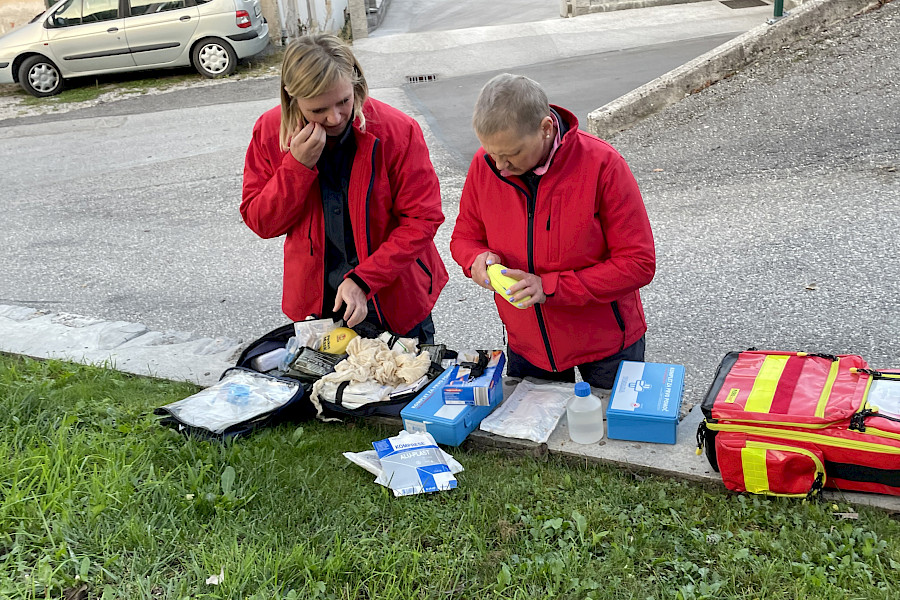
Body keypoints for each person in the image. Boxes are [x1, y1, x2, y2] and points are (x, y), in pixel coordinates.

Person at [450, 73, 656, 388]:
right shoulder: (485, 165)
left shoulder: (603, 164)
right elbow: (464, 237)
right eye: (492, 153)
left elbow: (638, 263)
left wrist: (549, 287)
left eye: (512, 154)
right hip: (528, 345)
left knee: (606, 419)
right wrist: (475, 259)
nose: (501, 167)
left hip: (607, 345)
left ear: (546, 128)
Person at [241, 34, 448, 343]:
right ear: (292, 98)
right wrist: (297, 167)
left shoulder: (397, 131)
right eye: (318, 110)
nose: (334, 118)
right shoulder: (270, 132)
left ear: (356, 85)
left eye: (344, 102)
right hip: (317, 304)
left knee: (408, 372)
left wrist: (365, 279)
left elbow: (422, 219)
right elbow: (262, 222)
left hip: (395, 297)